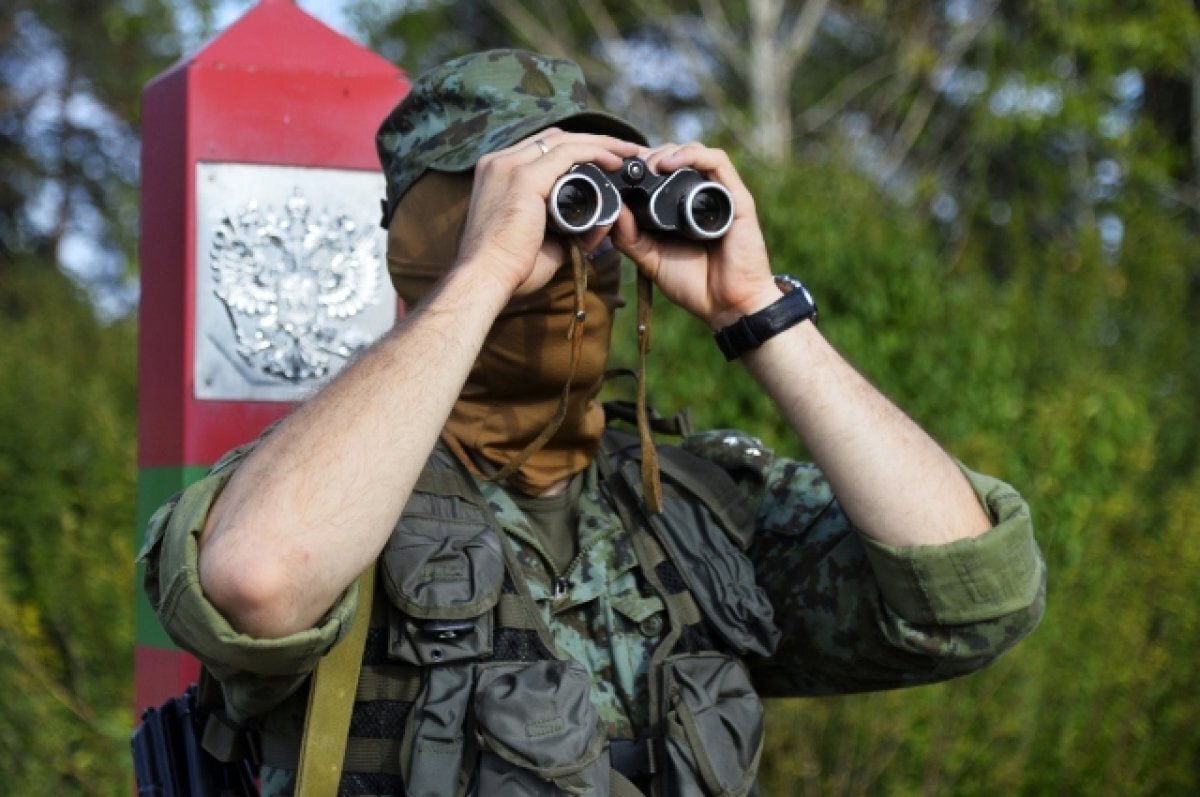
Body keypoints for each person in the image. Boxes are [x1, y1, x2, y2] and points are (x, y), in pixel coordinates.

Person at [140, 49, 1045, 796]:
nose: (571, 249)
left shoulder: (692, 516)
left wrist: (758, 312)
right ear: (433, 237)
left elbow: (976, 589)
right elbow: (259, 581)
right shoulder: (325, 495)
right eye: (531, 200)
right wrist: (484, 272)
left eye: (583, 202)